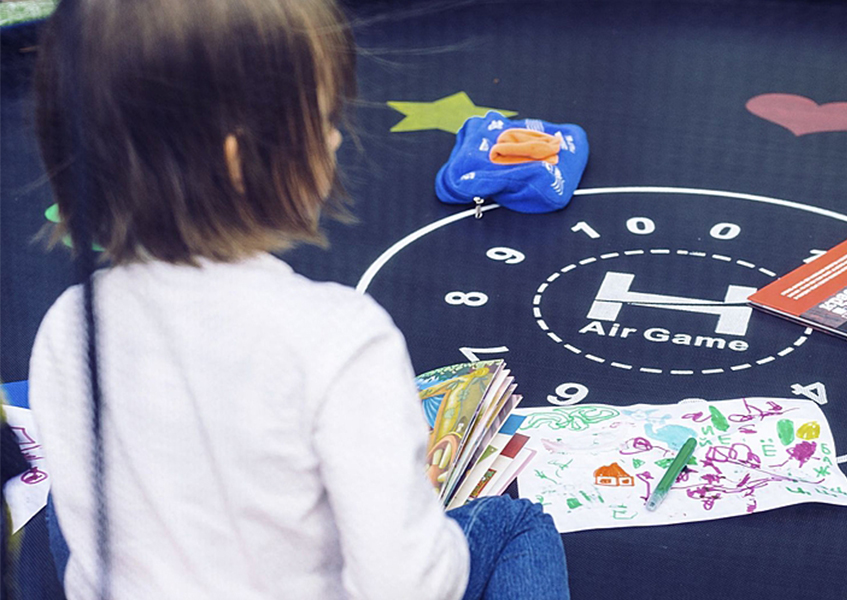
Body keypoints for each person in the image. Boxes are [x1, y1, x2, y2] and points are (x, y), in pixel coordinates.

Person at [28, 1, 570, 599]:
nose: (335, 137)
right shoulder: (341, 337)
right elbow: (406, 586)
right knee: (516, 525)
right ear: (238, 161)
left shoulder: (66, 326)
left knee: (61, 503)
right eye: (323, 117)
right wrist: (418, 503)